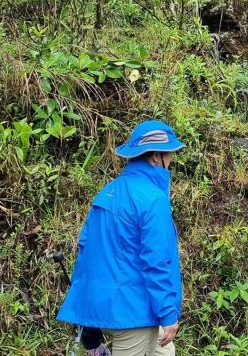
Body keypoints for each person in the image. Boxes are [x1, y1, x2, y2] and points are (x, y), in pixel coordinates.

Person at [57, 120, 185, 356]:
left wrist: (89, 327)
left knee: (165, 351)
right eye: (169, 154)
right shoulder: (152, 199)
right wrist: (168, 314)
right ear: (156, 157)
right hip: (133, 313)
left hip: (102, 306)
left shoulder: (106, 193)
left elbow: (85, 251)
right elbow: (157, 261)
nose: (171, 161)